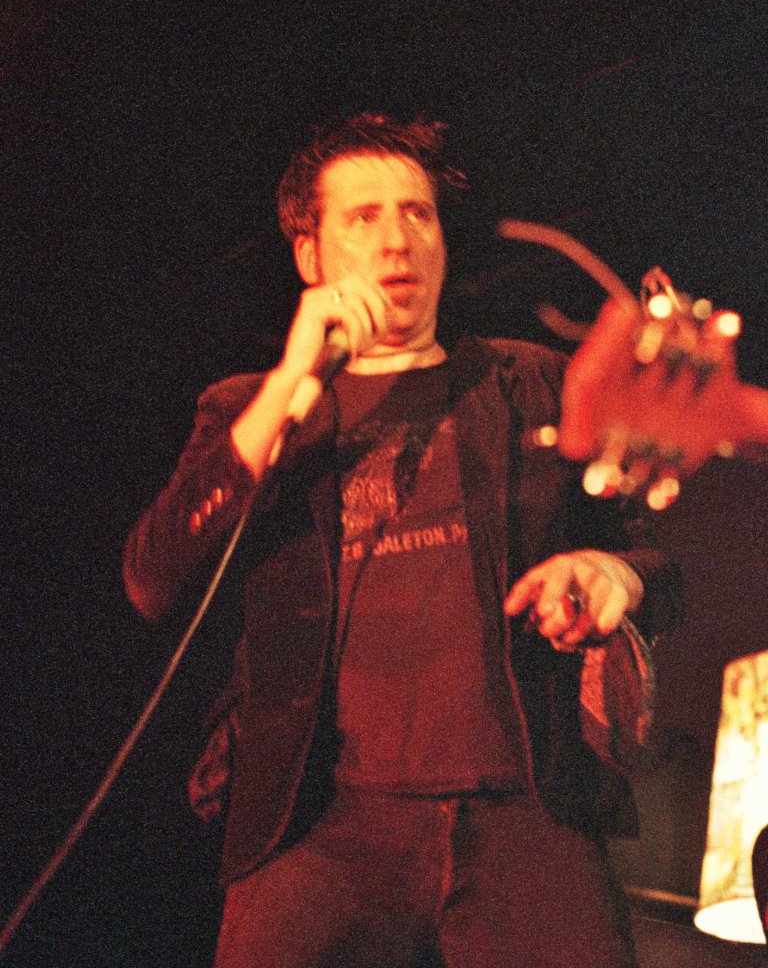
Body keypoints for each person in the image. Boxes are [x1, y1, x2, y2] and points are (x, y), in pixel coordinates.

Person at [123, 113, 682, 968]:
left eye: (417, 213)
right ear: (310, 256)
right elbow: (153, 578)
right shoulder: (249, 409)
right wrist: (289, 382)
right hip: (320, 825)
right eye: (364, 217)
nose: (398, 239)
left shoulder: (529, 380)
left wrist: (614, 572)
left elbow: (656, 566)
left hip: (524, 811)